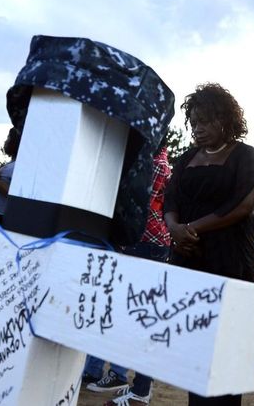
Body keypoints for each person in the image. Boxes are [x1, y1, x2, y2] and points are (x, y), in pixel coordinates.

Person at [164, 83, 254, 406]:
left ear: (225, 119)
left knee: (226, 361)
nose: (198, 129)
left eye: (205, 121)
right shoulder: (186, 157)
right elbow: (171, 198)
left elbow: (242, 206)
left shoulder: (245, 156)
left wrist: (190, 229)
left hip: (230, 265)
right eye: (194, 122)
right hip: (189, 262)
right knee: (196, 356)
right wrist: (174, 228)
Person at [100, 143, 172, 405]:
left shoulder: (154, 165)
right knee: (139, 316)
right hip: (149, 242)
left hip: (146, 241)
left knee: (142, 317)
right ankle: (138, 386)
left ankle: (141, 389)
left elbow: (135, 199)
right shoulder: (160, 163)